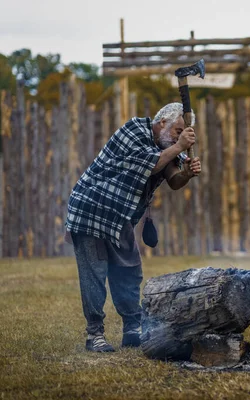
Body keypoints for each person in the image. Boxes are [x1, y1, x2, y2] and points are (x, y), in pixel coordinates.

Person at [65, 103, 201, 352]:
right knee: (94, 274)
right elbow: (151, 164)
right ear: (162, 123)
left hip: (120, 216)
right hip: (92, 208)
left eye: (182, 133)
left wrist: (187, 174)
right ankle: (94, 335)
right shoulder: (134, 131)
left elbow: (173, 180)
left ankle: (132, 329)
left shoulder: (165, 145)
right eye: (177, 131)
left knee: (130, 270)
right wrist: (180, 146)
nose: (179, 137)